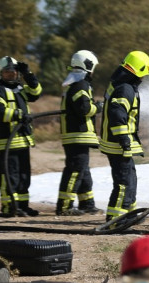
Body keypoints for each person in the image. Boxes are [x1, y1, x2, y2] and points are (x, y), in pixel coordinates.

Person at [99, 51, 149, 226]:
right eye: (143, 75)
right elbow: (117, 113)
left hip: (117, 144)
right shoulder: (125, 89)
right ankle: (115, 219)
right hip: (118, 145)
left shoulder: (121, 85)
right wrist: (123, 137)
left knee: (130, 178)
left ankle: (130, 214)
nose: (144, 79)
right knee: (123, 182)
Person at [0, 56, 42, 217]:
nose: (11, 75)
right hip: (8, 142)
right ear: (0, 73)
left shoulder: (20, 88)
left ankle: (23, 206)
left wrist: (28, 74)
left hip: (23, 141)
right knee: (9, 176)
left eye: (13, 73)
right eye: (7, 73)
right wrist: (18, 114)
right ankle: (9, 207)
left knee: (24, 177)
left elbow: (36, 92)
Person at [56, 50, 104, 216]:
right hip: (77, 136)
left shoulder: (75, 84)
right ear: (88, 66)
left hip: (77, 137)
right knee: (75, 171)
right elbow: (84, 108)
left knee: (83, 171)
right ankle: (64, 207)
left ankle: (87, 204)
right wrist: (98, 107)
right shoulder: (81, 85)